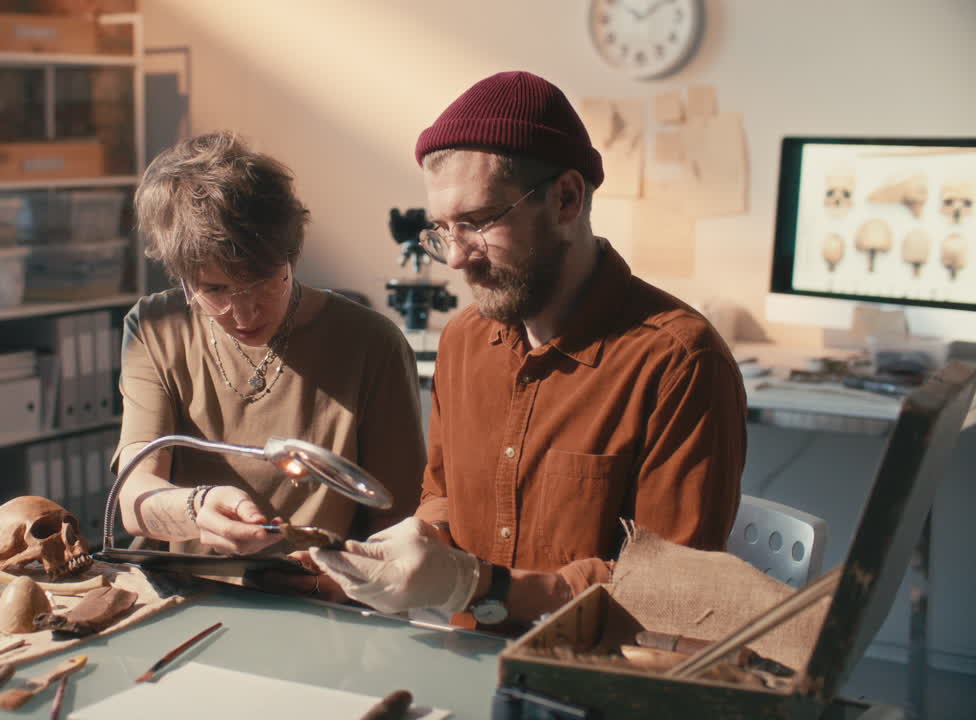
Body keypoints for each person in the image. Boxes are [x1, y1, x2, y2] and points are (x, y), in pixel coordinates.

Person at [310, 71, 746, 630]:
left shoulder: (679, 363)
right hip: (460, 649)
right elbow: (443, 493)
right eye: (442, 230)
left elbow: (678, 592)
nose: (457, 259)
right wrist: (424, 535)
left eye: (476, 223)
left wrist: (480, 587)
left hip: (587, 682)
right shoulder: (464, 341)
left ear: (566, 198)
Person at [111, 130, 426, 564]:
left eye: (262, 284)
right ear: (182, 277)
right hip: (191, 592)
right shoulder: (156, 328)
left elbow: (398, 524)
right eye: (215, 290)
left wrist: (338, 579)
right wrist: (198, 509)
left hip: (323, 601)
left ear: (291, 256)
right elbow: (135, 498)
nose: (244, 315)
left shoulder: (372, 345)